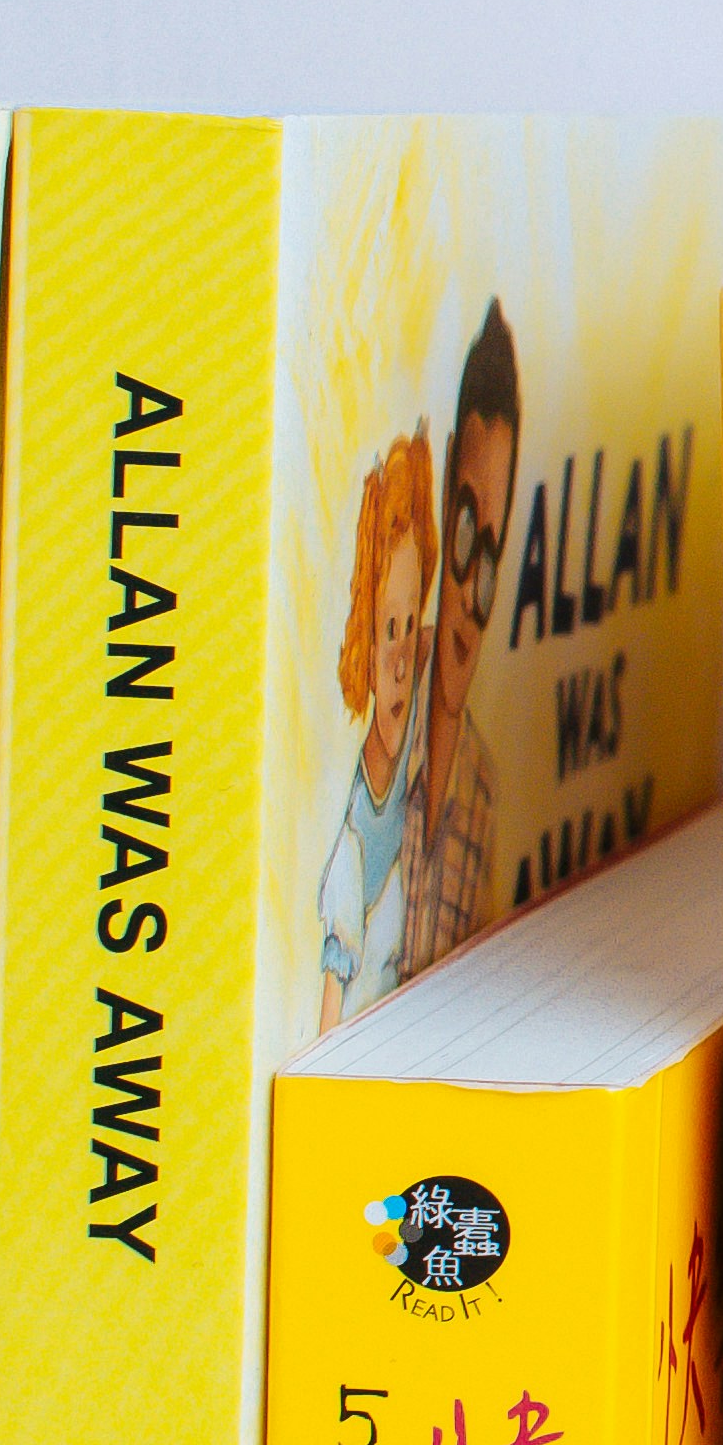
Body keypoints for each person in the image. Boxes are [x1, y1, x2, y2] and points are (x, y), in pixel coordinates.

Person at [399, 304, 521, 980]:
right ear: (447, 492)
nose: (472, 596)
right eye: (468, 537)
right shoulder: (386, 706)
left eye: (492, 563)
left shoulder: (482, 791)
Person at [312, 430, 434, 1027]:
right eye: (389, 631)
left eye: (410, 628)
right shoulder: (350, 846)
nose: (403, 662)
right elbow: (327, 1025)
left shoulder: (413, 754)